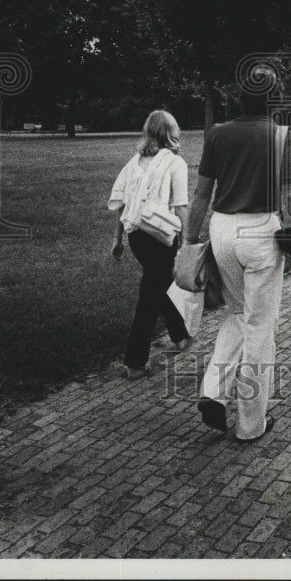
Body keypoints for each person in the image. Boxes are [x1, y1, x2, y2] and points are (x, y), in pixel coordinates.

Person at [185, 67, 291, 442]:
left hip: (221, 228)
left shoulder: (217, 133)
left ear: (238, 97)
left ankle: (213, 390)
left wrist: (189, 243)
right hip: (260, 231)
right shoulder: (279, 134)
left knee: (239, 314)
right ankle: (250, 424)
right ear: (274, 100)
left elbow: (200, 195)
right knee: (261, 326)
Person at [109, 110, 192, 380]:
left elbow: (122, 203)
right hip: (162, 236)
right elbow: (180, 207)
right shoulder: (174, 163)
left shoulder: (135, 162)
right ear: (171, 132)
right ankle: (135, 362)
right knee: (150, 295)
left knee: (159, 284)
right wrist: (188, 241)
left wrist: (118, 238)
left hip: (137, 236)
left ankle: (180, 337)